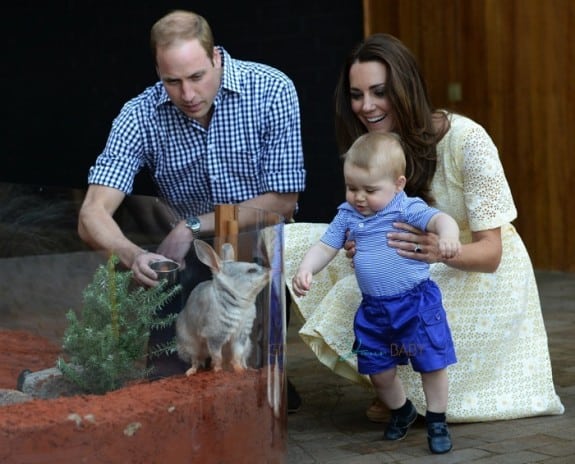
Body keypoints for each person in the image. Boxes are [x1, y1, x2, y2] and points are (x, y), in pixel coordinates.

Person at [283, 33, 564, 424]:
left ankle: (411, 394)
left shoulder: (469, 140)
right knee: (297, 243)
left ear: (405, 87)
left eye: (379, 92)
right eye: (357, 94)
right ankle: (392, 388)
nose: (366, 106)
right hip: (411, 258)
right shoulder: (373, 145)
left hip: (476, 271)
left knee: (369, 292)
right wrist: (358, 239)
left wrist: (435, 251)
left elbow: (492, 253)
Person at [77, 9, 305, 411]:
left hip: (258, 250)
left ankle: (264, 376)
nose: (187, 95)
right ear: (157, 72)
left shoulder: (272, 89)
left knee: (253, 397)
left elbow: (283, 201)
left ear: (216, 57)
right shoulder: (140, 114)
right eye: (172, 81)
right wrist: (134, 255)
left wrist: (194, 225)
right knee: (169, 389)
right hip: (186, 265)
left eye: (197, 76)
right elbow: (91, 214)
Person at [292, 132, 460, 453]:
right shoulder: (348, 215)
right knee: (378, 371)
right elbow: (326, 245)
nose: (359, 197)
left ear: (398, 184)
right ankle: (402, 410)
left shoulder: (405, 208)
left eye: (370, 190)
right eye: (352, 187)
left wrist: (448, 236)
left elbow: (440, 219)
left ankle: (438, 419)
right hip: (374, 311)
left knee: (431, 363)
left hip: (415, 305)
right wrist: (306, 268)